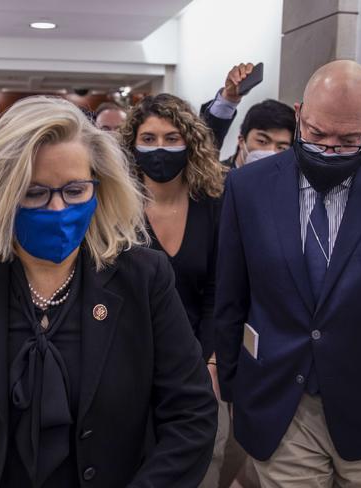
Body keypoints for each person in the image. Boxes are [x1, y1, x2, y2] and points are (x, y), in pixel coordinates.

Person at [0, 96, 217, 488]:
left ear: (99, 188)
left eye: (74, 191)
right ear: (4, 194)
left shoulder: (143, 276)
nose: (56, 208)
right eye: (34, 193)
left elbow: (192, 413)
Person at [215, 60, 361, 488]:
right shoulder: (248, 187)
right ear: (299, 115)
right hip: (281, 399)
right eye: (317, 135)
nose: (329, 148)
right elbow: (231, 294)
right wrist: (232, 391)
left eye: (348, 140)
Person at [120, 93, 228, 488]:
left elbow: (220, 290)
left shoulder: (214, 204)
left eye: (171, 137)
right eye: (148, 139)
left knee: (202, 464)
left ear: (191, 143)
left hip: (197, 363)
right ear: (132, 144)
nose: (160, 148)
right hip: (128, 361)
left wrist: (210, 363)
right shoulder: (115, 206)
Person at [223, 99, 296, 169]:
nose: (270, 153)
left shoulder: (290, 180)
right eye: (262, 141)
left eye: (281, 148)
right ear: (241, 141)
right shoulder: (215, 178)